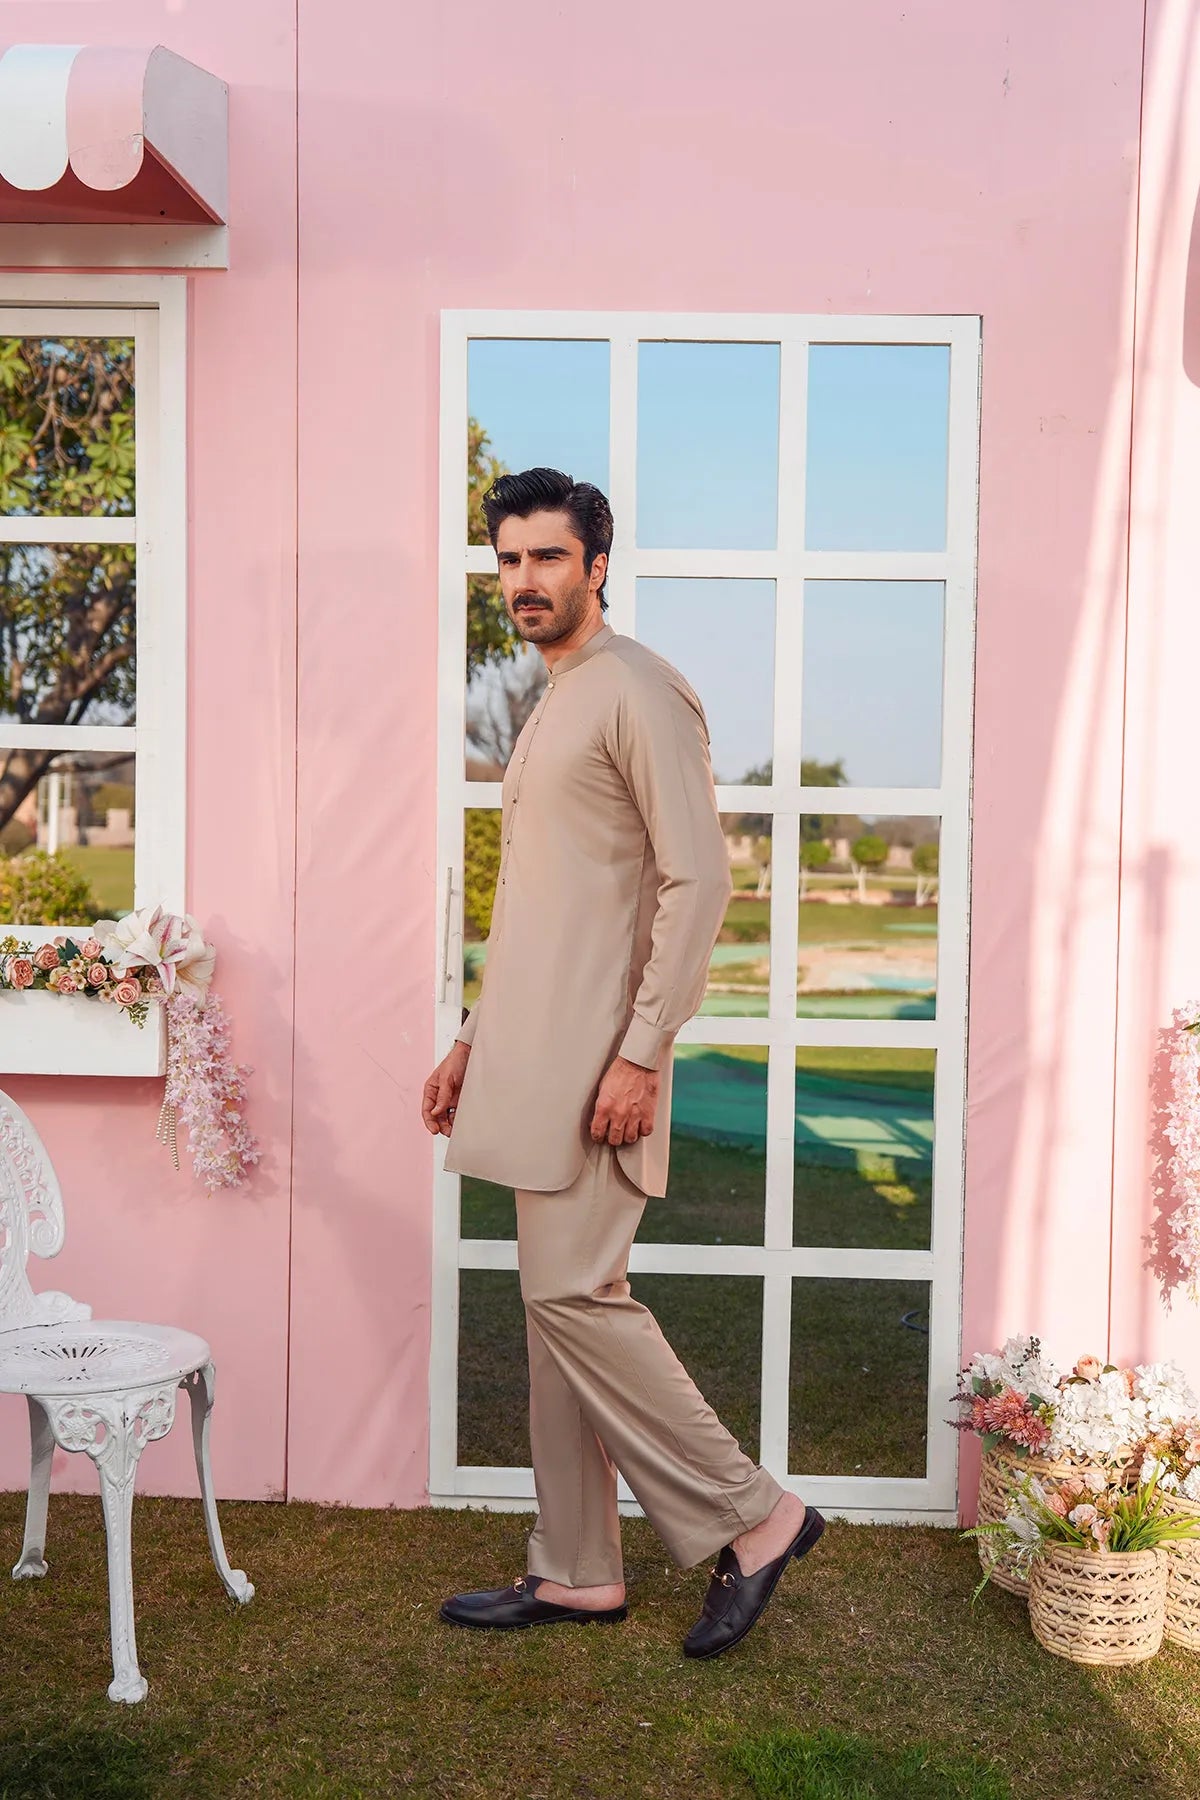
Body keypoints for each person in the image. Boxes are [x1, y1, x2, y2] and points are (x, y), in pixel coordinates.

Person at [421, 467, 822, 1658]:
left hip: (600, 1063)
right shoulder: (556, 697)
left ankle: (755, 1516)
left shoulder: (639, 688)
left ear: (597, 566)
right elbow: (543, 906)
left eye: (548, 557)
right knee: (556, 1320)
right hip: (530, 1054)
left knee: (574, 1298)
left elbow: (701, 880)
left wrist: (643, 1054)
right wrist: (471, 1038)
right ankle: (578, 1570)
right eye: (509, 559)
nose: (525, 580)